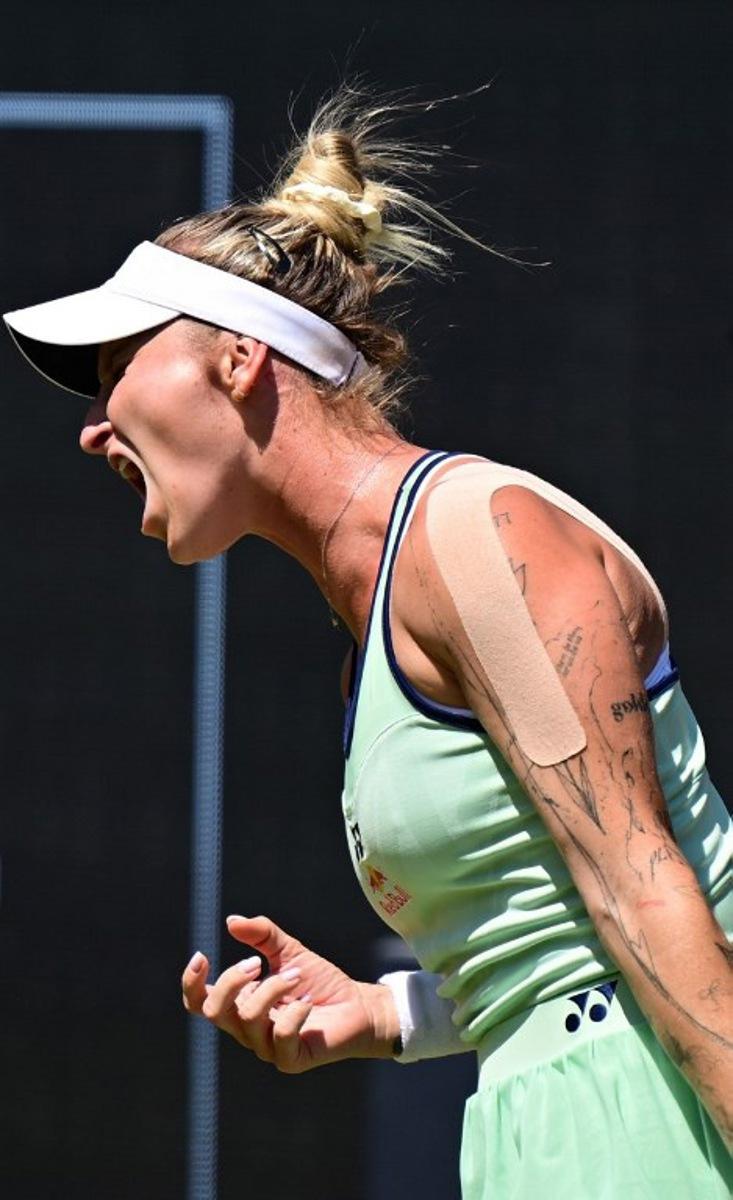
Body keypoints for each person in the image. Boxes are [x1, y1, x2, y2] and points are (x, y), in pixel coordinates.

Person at [4, 92, 732, 1199]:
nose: (93, 427)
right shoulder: (380, 623)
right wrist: (387, 1012)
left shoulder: (475, 541)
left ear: (237, 358)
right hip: (541, 1131)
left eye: (115, 370)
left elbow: (647, 890)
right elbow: (553, 952)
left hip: (659, 1120)